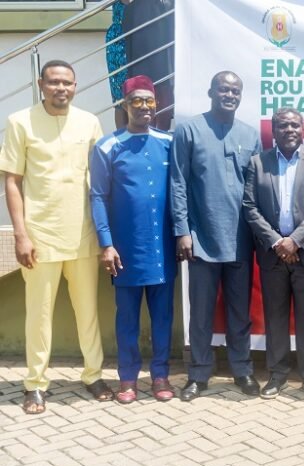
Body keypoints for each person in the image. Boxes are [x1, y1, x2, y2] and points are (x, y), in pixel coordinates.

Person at [0, 60, 114, 414]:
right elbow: (12, 181)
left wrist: (104, 233)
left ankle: (93, 375)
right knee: (40, 313)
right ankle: (35, 384)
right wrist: (21, 235)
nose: (60, 88)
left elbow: (100, 181)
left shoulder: (89, 122)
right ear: (41, 84)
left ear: (76, 86)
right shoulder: (20, 122)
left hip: (82, 234)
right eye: (53, 83)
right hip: (40, 236)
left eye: (66, 83)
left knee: (87, 312)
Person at [170, 71, 261, 401]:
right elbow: (178, 183)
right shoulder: (189, 130)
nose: (230, 94)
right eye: (223, 89)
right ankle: (198, 375)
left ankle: (242, 371)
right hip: (201, 239)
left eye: (235, 90)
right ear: (211, 91)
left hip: (240, 240)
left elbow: (258, 189)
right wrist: (182, 231)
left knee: (239, 312)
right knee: (201, 312)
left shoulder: (250, 135)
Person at [90, 75, 177, 404]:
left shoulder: (168, 143)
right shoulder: (107, 146)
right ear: (124, 106)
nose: (143, 107)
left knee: (163, 316)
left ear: (156, 105)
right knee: (126, 317)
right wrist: (106, 243)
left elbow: (179, 194)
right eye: (136, 101)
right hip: (125, 249)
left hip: (163, 248)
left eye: (149, 101)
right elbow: (97, 196)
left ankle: (160, 375)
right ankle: (127, 378)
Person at [242, 108, 304, 400]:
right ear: (274, 129)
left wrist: (294, 241)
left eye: (295, 125)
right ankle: (277, 376)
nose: (290, 130)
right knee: (276, 318)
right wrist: (277, 243)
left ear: (303, 127)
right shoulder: (258, 162)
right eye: (283, 125)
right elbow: (250, 207)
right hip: (272, 255)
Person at [122, 0, 174, 130]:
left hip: (167, 12)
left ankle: (161, 133)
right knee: (144, 78)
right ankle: (145, 131)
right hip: (142, 14)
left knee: (165, 77)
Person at [105, 0, 130, 129]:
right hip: (119, 36)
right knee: (120, 96)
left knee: (140, 91)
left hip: (143, 31)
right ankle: (122, 141)